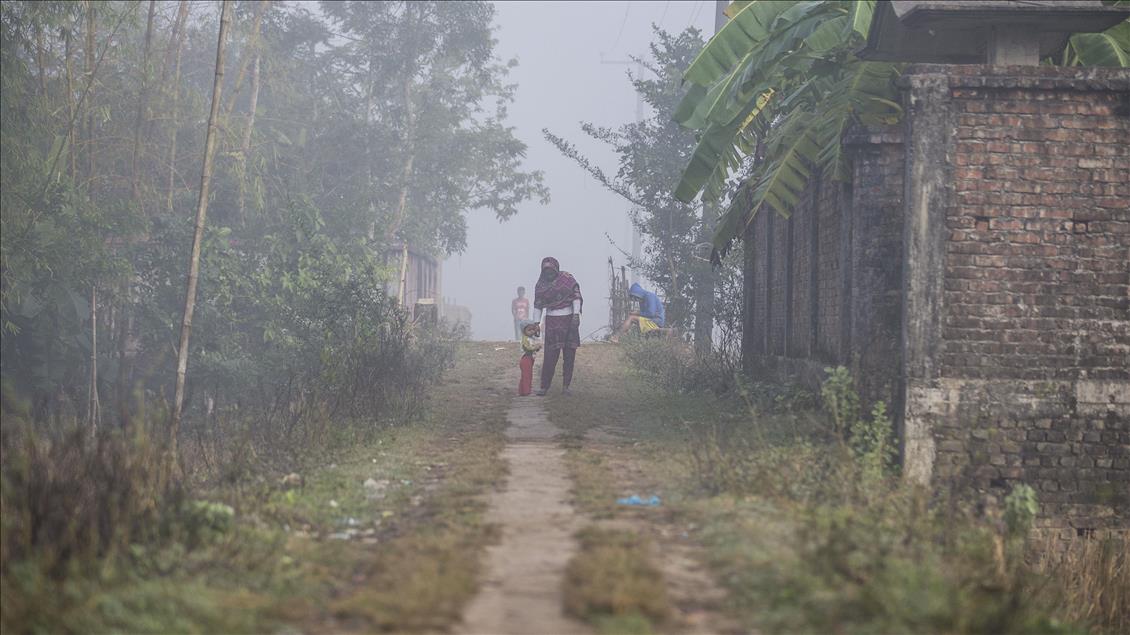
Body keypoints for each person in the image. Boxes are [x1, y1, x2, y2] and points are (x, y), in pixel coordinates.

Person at [532, 257, 582, 396]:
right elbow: (538, 305)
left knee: (569, 355)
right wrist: (536, 323)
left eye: (551, 270)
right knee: (550, 356)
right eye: (545, 270)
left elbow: (576, 296)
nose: (549, 273)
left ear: (556, 269)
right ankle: (544, 387)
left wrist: (576, 315)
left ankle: (566, 386)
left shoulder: (568, 279)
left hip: (569, 321)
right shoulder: (540, 285)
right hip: (552, 323)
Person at [518, 321, 541, 396]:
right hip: (526, 359)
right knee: (527, 375)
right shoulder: (525, 339)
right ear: (524, 331)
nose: (531, 332)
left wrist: (537, 348)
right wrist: (535, 347)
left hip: (530, 359)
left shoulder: (531, 338)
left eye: (532, 330)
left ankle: (522, 390)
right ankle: (526, 391)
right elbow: (527, 348)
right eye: (529, 330)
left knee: (526, 375)